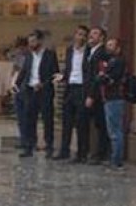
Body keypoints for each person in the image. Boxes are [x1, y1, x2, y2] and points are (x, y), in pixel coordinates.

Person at [14, 30, 59, 158]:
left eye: (33, 41)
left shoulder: (50, 55)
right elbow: (24, 71)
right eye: (29, 42)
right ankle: (29, 146)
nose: (31, 44)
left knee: (47, 119)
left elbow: (55, 74)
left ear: (40, 41)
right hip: (30, 90)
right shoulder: (28, 55)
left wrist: (44, 83)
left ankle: (49, 146)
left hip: (45, 91)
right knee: (29, 119)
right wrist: (16, 85)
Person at [53, 26, 89, 161]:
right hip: (70, 87)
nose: (81, 37)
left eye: (84, 35)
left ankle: (81, 153)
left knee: (81, 123)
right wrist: (62, 77)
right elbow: (68, 70)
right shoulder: (69, 51)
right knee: (66, 121)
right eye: (79, 34)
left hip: (81, 88)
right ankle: (64, 150)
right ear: (75, 35)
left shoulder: (88, 52)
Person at [98, 38, 128, 170]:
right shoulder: (111, 61)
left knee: (115, 131)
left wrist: (102, 76)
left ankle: (116, 160)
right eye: (107, 45)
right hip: (110, 98)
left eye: (111, 45)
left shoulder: (117, 61)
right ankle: (115, 158)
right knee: (114, 130)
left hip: (114, 98)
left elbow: (110, 79)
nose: (108, 47)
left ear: (118, 49)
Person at [84, 27, 110, 165]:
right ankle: (93, 152)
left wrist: (91, 95)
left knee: (101, 124)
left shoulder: (102, 53)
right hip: (88, 92)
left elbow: (98, 77)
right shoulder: (90, 52)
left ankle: (102, 153)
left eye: (95, 34)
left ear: (101, 38)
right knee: (94, 124)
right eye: (91, 33)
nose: (91, 36)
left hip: (98, 95)